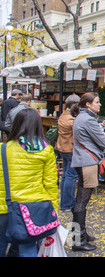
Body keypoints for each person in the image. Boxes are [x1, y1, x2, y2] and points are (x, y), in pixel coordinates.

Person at [0, 109, 58, 257]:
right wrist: (53, 207)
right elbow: (51, 182)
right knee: (28, 247)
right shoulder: (46, 150)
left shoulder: (3, 149)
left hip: (4, 206)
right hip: (33, 207)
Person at [70, 92, 105, 251]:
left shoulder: (81, 117)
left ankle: (80, 234)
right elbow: (103, 142)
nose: (99, 104)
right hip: (88, 161)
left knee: (80, 198)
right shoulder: (89, 119)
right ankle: (78, 240)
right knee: (82, 201)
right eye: (97, 102)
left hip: (82, 160)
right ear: (88, 104)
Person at [56, 94, 80, 211]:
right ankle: (68, 204)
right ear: (74, 105)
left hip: (62, 148)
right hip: (70, 149)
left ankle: (64, 202)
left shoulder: (62, 115)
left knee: (65, 175)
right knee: (71, 176)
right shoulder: (72, 119)